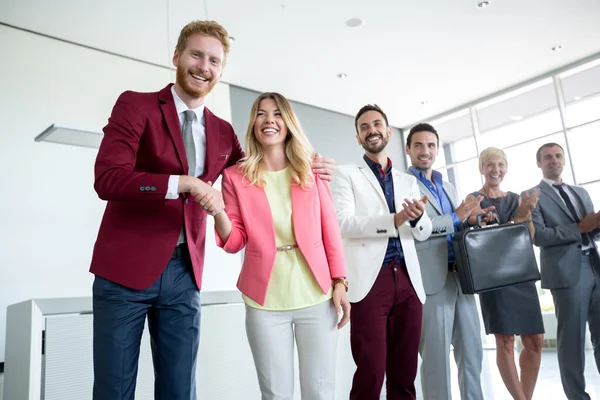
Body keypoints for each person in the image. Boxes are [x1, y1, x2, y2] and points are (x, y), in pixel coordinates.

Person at [90, 21, 334, 400]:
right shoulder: (134, 105)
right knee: (114, 389)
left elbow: (258, 168)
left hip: (185, 274)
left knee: (180, 389)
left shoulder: (223, 133)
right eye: (196, 55)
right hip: (124, 273)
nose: (204, 66)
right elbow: (109, 178)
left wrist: (312, 163)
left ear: (221, 70)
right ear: (177, 56)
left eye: (214, 61)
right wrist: (182, 183)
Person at [202, 92, 350, 400]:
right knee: (275, 394)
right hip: (264, 301)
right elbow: (235, 240)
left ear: (288, 123)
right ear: (253, 124)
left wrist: (340, 281)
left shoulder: (311, 168)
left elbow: (330, 229)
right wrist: (217, 211)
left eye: (277, 113)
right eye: (261, 114)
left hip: (317, 295)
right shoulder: (234, 177)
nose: (269, 120)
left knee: (320, 391)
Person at [331, 104, 431, 400]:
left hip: (409, 281)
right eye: (364, 127)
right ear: (358, 137)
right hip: (370, 282)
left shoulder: (407, 180)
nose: (371, 130)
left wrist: (414, 218)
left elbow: (422, 231)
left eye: (377, 124)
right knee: (370, 372)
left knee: (405, 373)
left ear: (388, 132)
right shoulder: (345, 175)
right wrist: (394, 220)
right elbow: (343, 224)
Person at [405, 123, 488, 400]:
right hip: (432, 280)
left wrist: (474, 218)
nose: (425, 151)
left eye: (430, 145)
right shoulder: (403, 185)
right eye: (418, 145)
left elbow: (458, 224)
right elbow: (418, 230)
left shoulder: (448, 185)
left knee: (472, 355)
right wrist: (458, 215)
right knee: (436, 361)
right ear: (408, 149)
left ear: (437, 149)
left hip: (461, 277)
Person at [470, 147, 544, 400]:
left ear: (506, 169)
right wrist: (517, 220)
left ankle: (526, 396)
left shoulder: (515, 198)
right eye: (489, 164)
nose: (495, 170)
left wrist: (527, 216)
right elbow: (486, 242)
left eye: (500, 164)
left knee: (535, 340)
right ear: (481, 168)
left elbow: (531, 237)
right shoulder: (474, 200)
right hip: (494, 279)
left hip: (521, 276)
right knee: (506, 342)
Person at [529, 142, 600, 400]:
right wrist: (580, 227)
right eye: (548, 157)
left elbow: (593, 230)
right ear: (539, 163)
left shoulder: (580, 192)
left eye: (558, 156)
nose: (554, 160)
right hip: (566, 272)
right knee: (571, 341)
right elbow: (539, 236)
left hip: (594, 264)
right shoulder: (532, 195)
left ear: (564, 160)